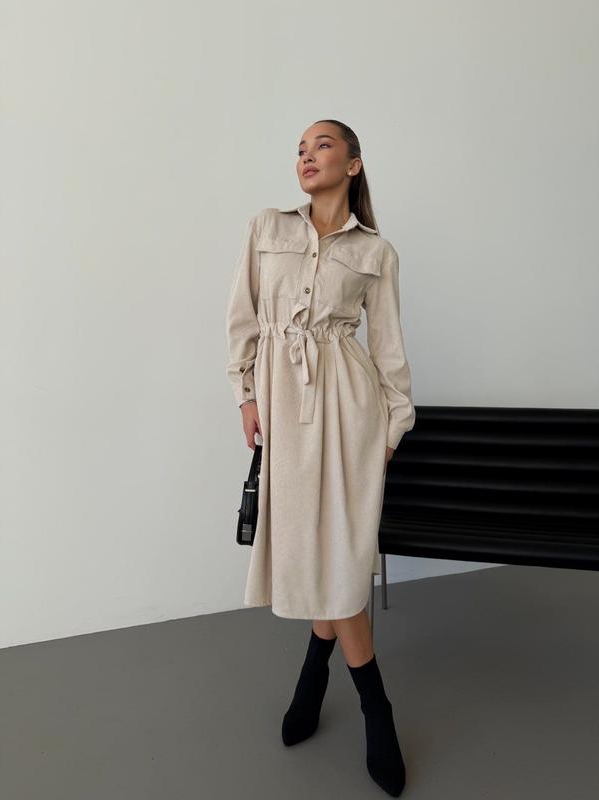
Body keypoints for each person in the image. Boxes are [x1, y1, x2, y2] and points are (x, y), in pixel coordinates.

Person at [225, 119, 416, 797]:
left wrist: (390, 430)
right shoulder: (266, 227)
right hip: (285, 409)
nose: (306, 156)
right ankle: (335, 686)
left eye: (323, 145)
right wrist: (247, 394)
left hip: (351, 412)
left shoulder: (376, 251)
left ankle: (360, 705)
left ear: (354, 164)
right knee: (316, 557)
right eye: (301, 149)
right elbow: (243, 319)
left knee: (338, 559)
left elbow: (388, 349)